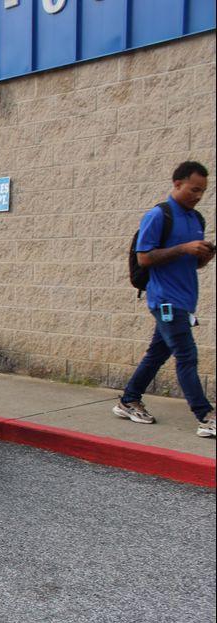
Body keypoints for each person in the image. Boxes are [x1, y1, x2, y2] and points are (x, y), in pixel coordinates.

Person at [113, 161, 215, 437]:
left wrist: (203, 256)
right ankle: (205, 415)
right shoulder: (159, 215)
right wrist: (184, 247)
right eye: (194, 189)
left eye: (203, 191)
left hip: (184, 299)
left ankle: (128, 400)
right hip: (165, 300)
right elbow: (144, 257)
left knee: (157, 353)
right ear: (177, 184)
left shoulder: (197, 220)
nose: (198, 196)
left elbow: (188, 264)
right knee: (186, 355)